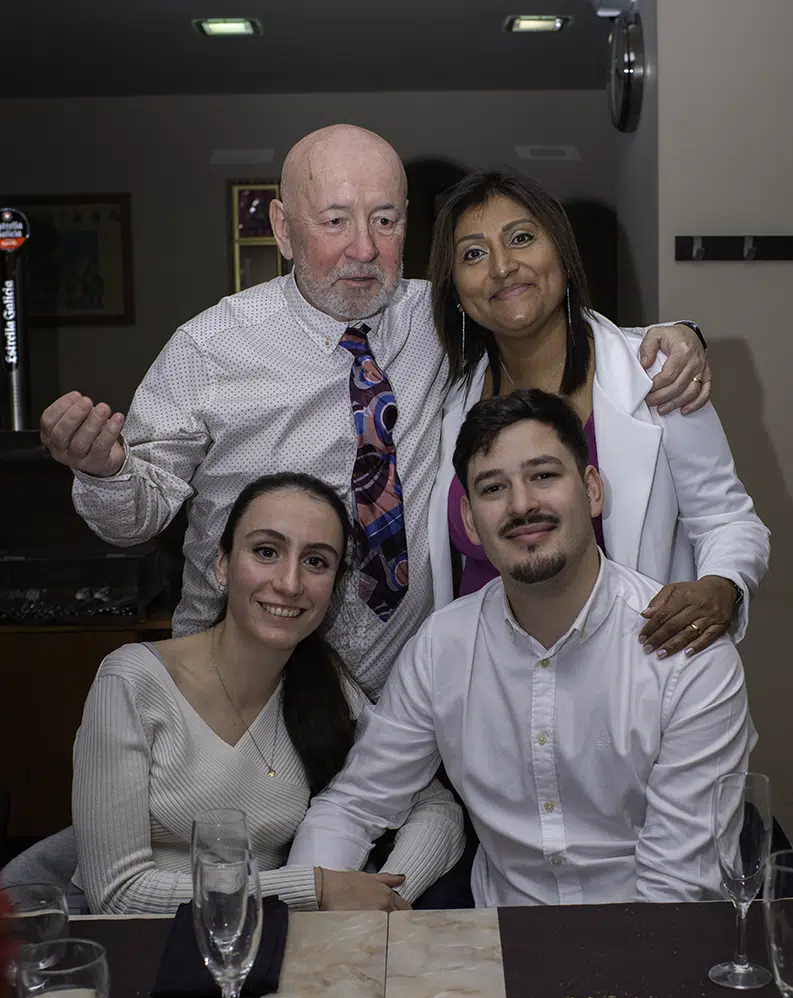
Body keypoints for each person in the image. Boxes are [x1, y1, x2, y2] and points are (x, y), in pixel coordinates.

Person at [40, 125, 710, 698]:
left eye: (384, 220)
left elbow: (538, 319)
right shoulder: (209, 348)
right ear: (282, 228)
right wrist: (106, 471)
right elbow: (135, 521)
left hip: (413, 691)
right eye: (334, 221)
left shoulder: (441, 318)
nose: (363, 248)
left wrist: (678, 337)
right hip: (246, 687)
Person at [287, 392, 753, 906]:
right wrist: (310, 919)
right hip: (491, 954)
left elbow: (678, 893)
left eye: (544, 476)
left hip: (649, 948)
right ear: (468, 519)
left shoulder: (688, 655)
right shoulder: (443, 648)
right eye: (493, 488)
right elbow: (355, 805)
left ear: (593, 490)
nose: (522, 504)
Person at [71, 472, 464, 915]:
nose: (290, 583)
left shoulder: (322, 685)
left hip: (277, 953)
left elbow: (436, 807)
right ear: (222, 565)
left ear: (333, 587)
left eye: (316, 561)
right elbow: (117, 894)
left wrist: (386, 893)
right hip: (148, 958)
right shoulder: (131, 680)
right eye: (266, 552)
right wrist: (314, 889)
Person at [428, 169, 769, 659]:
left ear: (562, 254)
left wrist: (724, 586)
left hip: (629, 673)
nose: (501, 267)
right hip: (484, 680)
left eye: (521, 238)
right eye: (474, 254)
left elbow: (727, 518)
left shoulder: (655, 375)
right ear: (456, 288)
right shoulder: (443, 394)